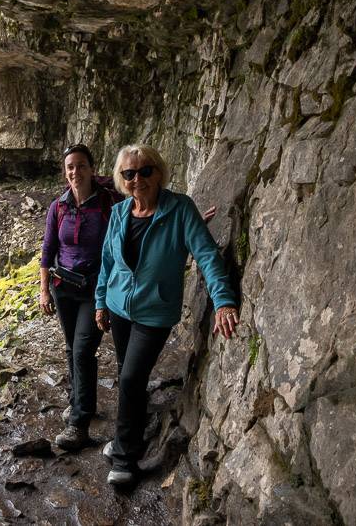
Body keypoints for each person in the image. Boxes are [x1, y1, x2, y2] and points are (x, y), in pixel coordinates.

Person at [95, 144, 239, 485]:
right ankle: (126, 434)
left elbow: (206, 255)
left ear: (159, 172)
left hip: (154, 313)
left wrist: (224, 300)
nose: (138, 179)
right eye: (129, 173)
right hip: (119, 309)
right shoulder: (119, 214)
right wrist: (101, 301)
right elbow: (106, 264)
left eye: (146, 170)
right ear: (121, 179)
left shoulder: (180, 210)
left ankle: (125, 458)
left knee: (130, 378)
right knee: (128, 375)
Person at [39, 143, 121, 450]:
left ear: (91, 168)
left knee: (83, 350)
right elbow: (48, 250)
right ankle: (78, 400)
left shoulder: (108, 203)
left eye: (81, 165)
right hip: (64, 288)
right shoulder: (58, 206)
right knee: (72, 346)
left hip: (95, 289)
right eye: (70, 167)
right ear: (65, 171)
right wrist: (44, 289)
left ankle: (79, 424)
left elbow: (141, 217)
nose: (75, 171)